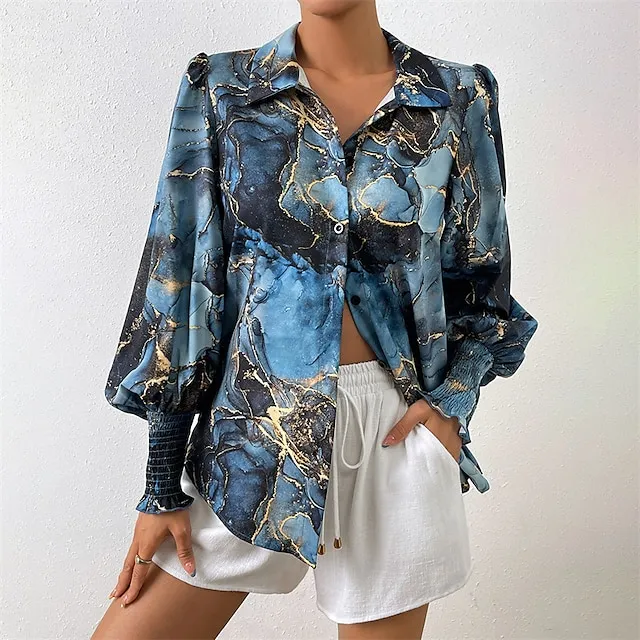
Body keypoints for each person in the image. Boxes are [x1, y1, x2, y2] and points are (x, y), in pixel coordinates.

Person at [92, 1, 538, 638]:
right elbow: (182, 282)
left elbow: (481, 283)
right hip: (252, 431)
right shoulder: (224, 89)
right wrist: (162, 482)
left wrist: (452, 403)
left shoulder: (457, 97)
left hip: (396, 432)